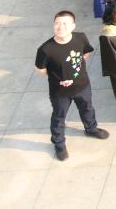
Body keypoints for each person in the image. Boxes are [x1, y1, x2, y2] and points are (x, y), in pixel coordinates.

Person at [35, 10, 110, 161]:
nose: (60, 27)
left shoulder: (80, 38)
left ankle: (91, 128)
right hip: (60, 92)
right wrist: (58, 78)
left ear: (73, 26)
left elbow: (86, 53)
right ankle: (59, 144)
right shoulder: (46, 49)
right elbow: (40, 70)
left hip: (82, 85)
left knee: (87, 108)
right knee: (59, 117)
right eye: (57, 23)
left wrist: (76, 72)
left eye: (65, 23)